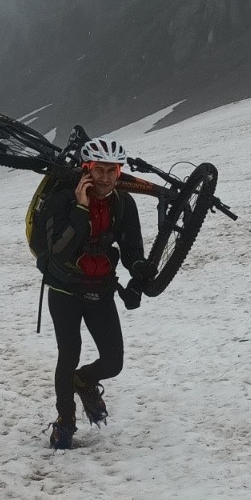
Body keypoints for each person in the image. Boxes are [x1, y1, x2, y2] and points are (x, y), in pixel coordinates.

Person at [35, 137, 153, 450]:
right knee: (68, 353)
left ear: (119, 172)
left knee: (113, 362)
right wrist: (80, 208)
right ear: (87, 169)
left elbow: (131, 247)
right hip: (65, 288)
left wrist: (138, 266)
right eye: (98, 170)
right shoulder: (61, 200)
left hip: (101, 289)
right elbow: (59, 250)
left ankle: (84, 380)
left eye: (111, 171)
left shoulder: (123, 203)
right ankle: (65, 421)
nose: (104, 177)